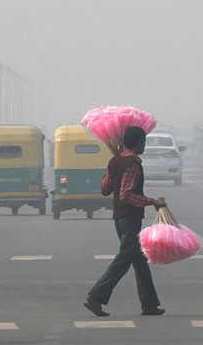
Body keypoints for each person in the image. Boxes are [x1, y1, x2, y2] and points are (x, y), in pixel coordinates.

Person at [84, 126, 166, 317]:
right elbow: (126, 195)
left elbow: (105, 189)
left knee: (139, 260)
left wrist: (113, 168)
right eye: (144, 141)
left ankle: (149, 304)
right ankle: (96, 297)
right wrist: (151, 201)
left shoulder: (116, 161)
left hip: (120, 219)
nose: (145, 145)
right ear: (137, 142)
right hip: (130, 218)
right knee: (123, 259)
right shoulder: (132, 165)